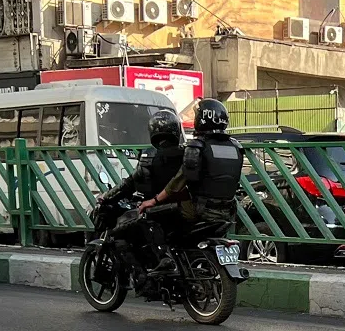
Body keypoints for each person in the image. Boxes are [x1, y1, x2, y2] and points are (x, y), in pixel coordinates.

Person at [138, 99, 244, 271]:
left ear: (202, 118)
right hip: (227, 212)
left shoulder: (197, 147)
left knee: (150, 216)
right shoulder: (236, 147)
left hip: (199, 211)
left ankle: (166, 258)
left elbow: (179, 182)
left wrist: (155, 201)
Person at [99, 110, 185, 271]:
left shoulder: (149, 156)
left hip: (158, 211)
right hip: (186, 211)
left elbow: (130, 183)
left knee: (119, 234)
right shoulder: (188, 154)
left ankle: (141, 275)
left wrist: (106, 196)